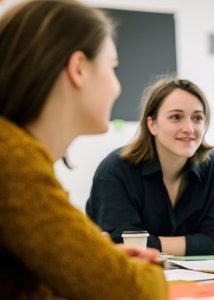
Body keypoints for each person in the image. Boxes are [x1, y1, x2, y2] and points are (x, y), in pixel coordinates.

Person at [0, 0, 167, 299]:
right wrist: (134, 270)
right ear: (78, 68)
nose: (117, 86)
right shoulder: (11, 159)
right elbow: (132, 291)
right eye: (113, 67)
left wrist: (97, 256)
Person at [86, 77, 214, 256]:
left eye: (197, 118)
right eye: (176, 117)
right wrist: (196, 242)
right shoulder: (115, 170)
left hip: (199, 280)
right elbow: (121, 243)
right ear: (152, 124)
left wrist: (148, 244)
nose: (189, 128)